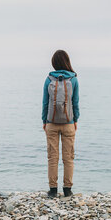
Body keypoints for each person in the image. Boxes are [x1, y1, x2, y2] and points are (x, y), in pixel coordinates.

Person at [42, 50, 80, 198]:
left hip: (51, 122)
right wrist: (75, 120)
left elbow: (45, 102)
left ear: (54, 63)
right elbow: (75, 102)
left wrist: (44, 121)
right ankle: (67, 189)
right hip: (68, 123)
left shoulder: (48, 79)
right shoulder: (74, 79)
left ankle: (52, 190)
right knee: (68, 157)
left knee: (52, 157)